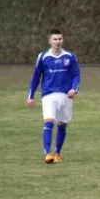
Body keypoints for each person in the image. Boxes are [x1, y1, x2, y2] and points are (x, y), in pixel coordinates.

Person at [27, 28, 81, 164]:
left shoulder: (70, 56)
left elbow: (76, 74)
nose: (58, 42)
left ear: (63, 40)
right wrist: (31, 95)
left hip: (66, 96)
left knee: (62, 125)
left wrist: (74, 89)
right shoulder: (43, 57)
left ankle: (57, 153)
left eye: (60, 39)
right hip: (49, 95)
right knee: (49, 121)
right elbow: (36, 77)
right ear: (50, 41)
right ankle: (47, 154)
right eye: (55, 39)